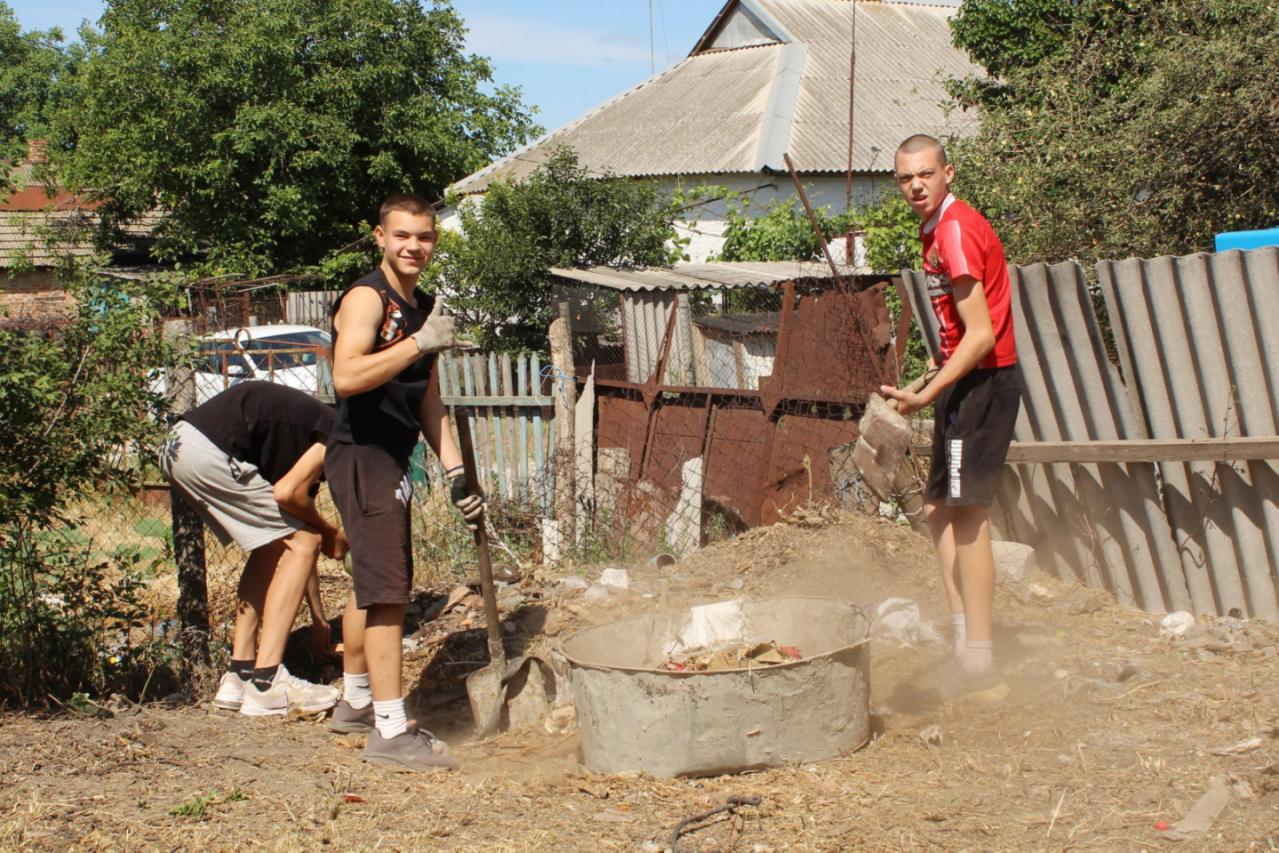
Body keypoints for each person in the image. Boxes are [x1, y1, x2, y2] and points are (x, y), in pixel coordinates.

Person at [324, 192, 482, 770]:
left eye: (424, 236)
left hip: (391, 456)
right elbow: (346, 376)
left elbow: (427, 399)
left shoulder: (425, 308)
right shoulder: (368, 298)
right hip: (362, 455)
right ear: (380, 237)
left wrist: (458, 473)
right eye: (402, 235)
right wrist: (419, 342)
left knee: (372, 584)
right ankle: (390, 732)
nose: (414, 246)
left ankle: (356, 703)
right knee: (389, 594)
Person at [880, 134, 1021, 702]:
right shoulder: (935, 229)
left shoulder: (956, 230)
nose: (916, 185)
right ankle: (966, 641)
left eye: (925, 174)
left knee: (967, 517)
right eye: (905, 178)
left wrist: (927, 395)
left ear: (948, 173)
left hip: (984, 383)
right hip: (961, 382)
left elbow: (982, 335)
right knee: (939, 510)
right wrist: (927, 383)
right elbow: (959, 333)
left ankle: (981, 662)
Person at [159, 380, 349, 715]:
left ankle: (240, 674)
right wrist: (331, 532)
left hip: (176, 447)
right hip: (210, 449)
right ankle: (267, 682)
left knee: (272, 547)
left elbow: (293, 544)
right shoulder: (337, 431)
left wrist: (319, 619)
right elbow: (289, 498)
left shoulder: (301, 435)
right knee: (307, 540)